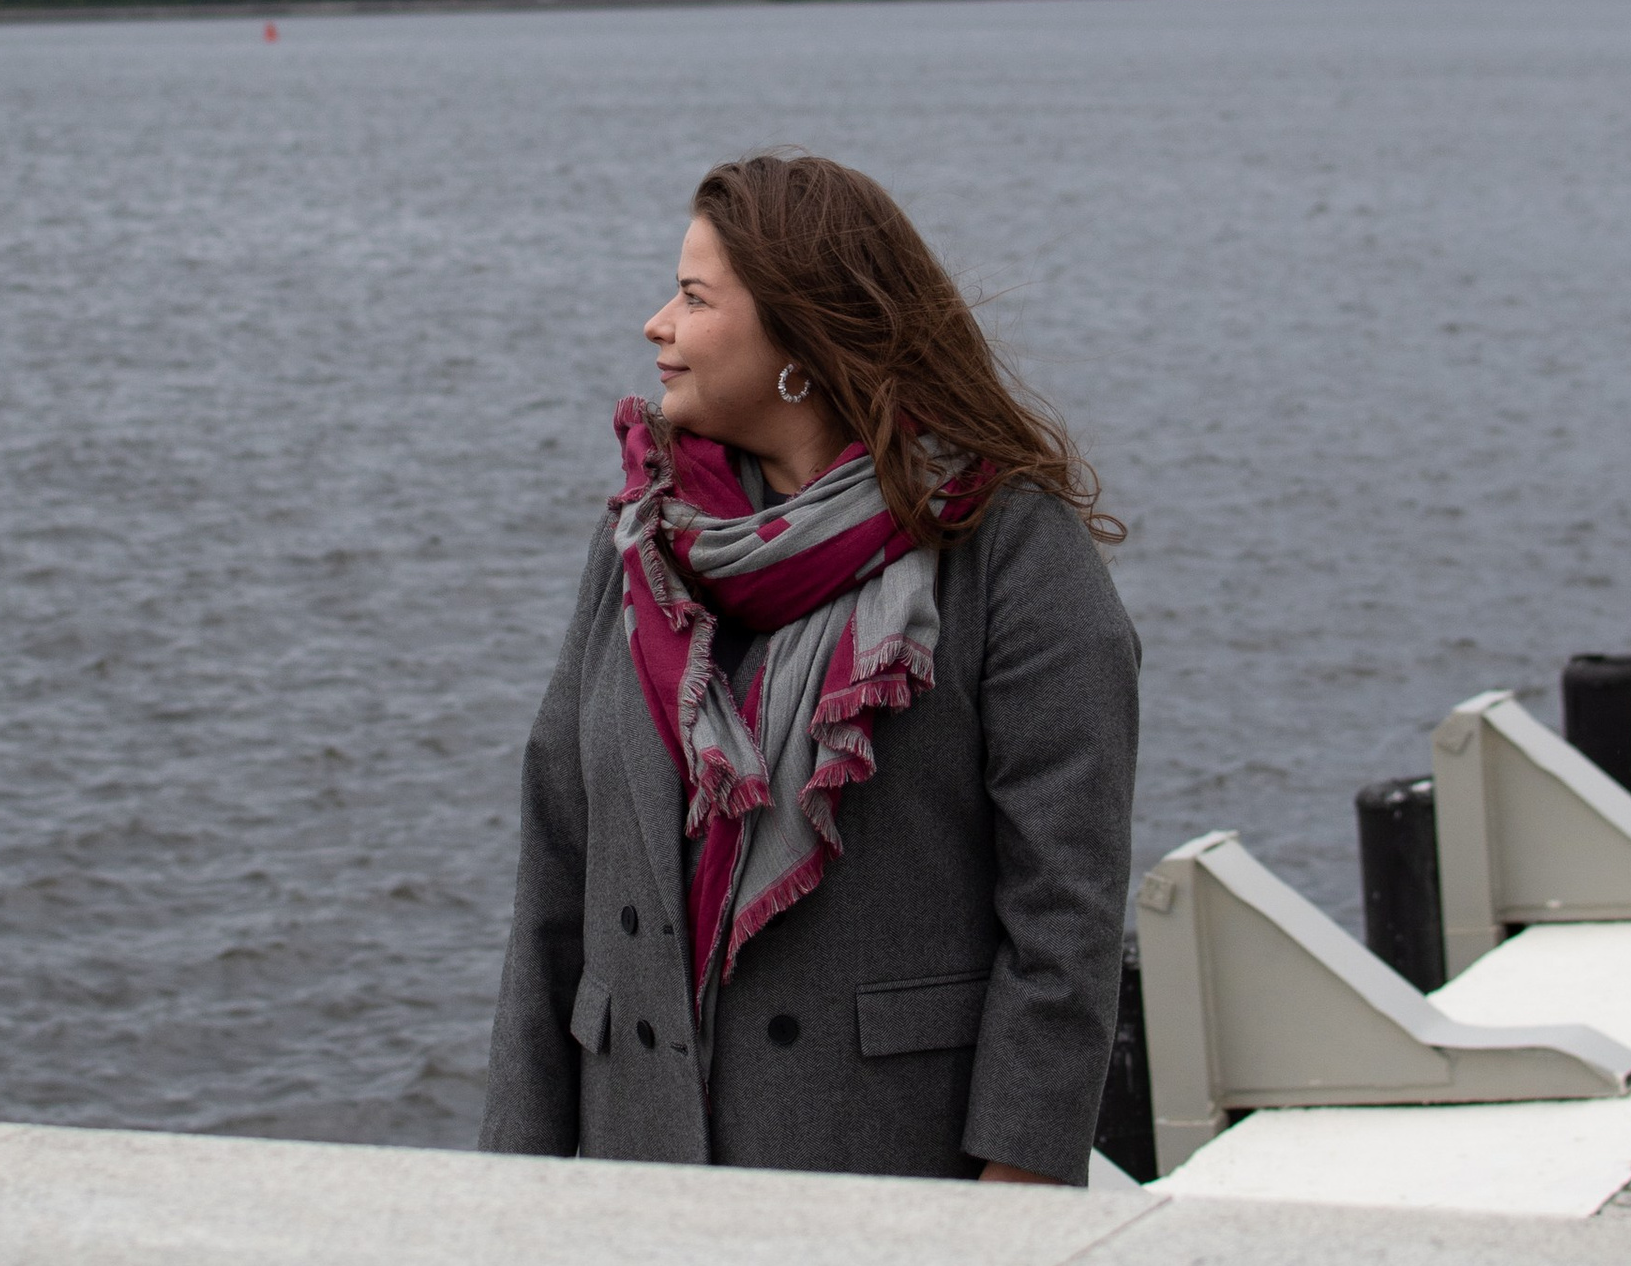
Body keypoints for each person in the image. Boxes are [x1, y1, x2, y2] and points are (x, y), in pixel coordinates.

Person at [480, 149, 1140, 1185]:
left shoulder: (1002, 549)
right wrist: (511, 1181)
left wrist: (1015, 1188)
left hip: (883, 1161)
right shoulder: (644, 543)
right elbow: (557, 872)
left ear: (799, 335)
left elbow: (1066, 908)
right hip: (636, 1162)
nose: (656, 325)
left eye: (694, 299)